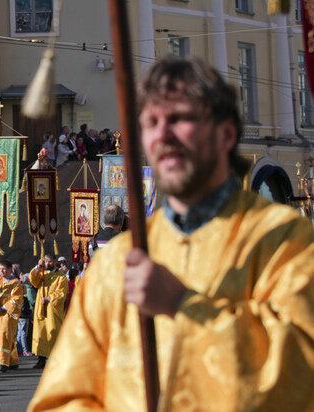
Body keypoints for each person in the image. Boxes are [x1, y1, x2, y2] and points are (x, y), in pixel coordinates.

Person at [29, 57, 314, 411]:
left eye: (180, 119)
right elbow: (63, 395)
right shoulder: (116, 261)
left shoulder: (285, 243)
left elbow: (299, 373)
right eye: (151, 122)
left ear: (225, 133)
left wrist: (184, 306)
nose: (162, 134)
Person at [29, 255, 68, 369]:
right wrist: (37, 267)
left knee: (53, 332)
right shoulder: (43, 274)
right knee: (41, 333)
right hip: (41, 309)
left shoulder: (61, 277)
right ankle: (41, 359)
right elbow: (33, 280)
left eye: (49, 261)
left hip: (52, 310)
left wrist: (48, 298)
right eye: (45, 262)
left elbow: (61, 293)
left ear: (55, 262)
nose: (47, 264)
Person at [0, 260, 24, 372]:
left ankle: (3, 362)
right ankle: (13, 361)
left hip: (8, 314)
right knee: (5, 337)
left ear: (9, 269)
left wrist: (3, 307)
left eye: (4, 269)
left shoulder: (15, 283)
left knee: (5, 336)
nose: (1, 271)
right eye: (0, 269)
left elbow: (17, 299)